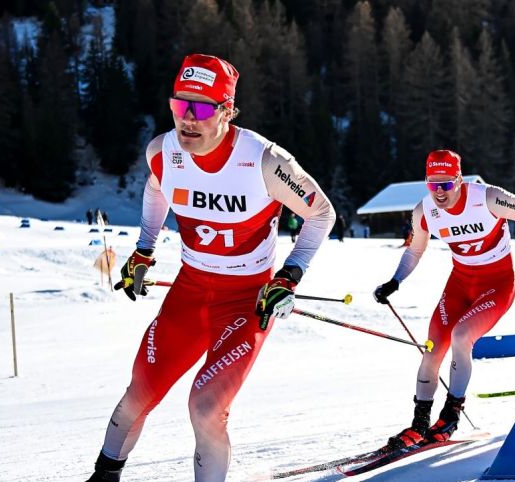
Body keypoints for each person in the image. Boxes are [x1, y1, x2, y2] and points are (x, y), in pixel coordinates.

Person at [86, 53, 335, 482]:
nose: (188, 119)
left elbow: (321, 213)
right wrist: (144, 250)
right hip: (189, 290)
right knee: (138, 395)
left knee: (205, 408)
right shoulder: (163, 152)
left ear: (228, 111)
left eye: (201, 108)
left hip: (246, 300)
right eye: (180, 105)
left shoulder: (264, 161)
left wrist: (289, 275)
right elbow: (156, 191)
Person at [373, 150, 515, 449]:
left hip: (497, 284)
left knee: (462, 336)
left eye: (446, 184)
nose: (439, 192)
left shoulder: (487, 197)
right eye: (432, 184)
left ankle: (451, 414)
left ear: (458, 179)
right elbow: (415, 250)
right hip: (459, 284)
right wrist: (395, 280)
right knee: (431, 348)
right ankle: (419, 424)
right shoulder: (424, 211)